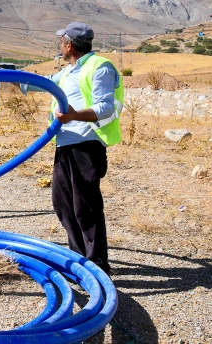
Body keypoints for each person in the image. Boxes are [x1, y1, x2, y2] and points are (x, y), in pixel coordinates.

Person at [20, 21, 123, 276]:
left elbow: (107, 106)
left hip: (86, 145)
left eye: (61, 42)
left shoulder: (100, 67)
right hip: (64, 144)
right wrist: (8, 75)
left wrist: (74, 114)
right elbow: (41, 83)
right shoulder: (67, 72)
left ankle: (97, 266)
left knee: (86, 207)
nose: (60, 46)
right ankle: (78, 260)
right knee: (63, 203)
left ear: (68, 44)